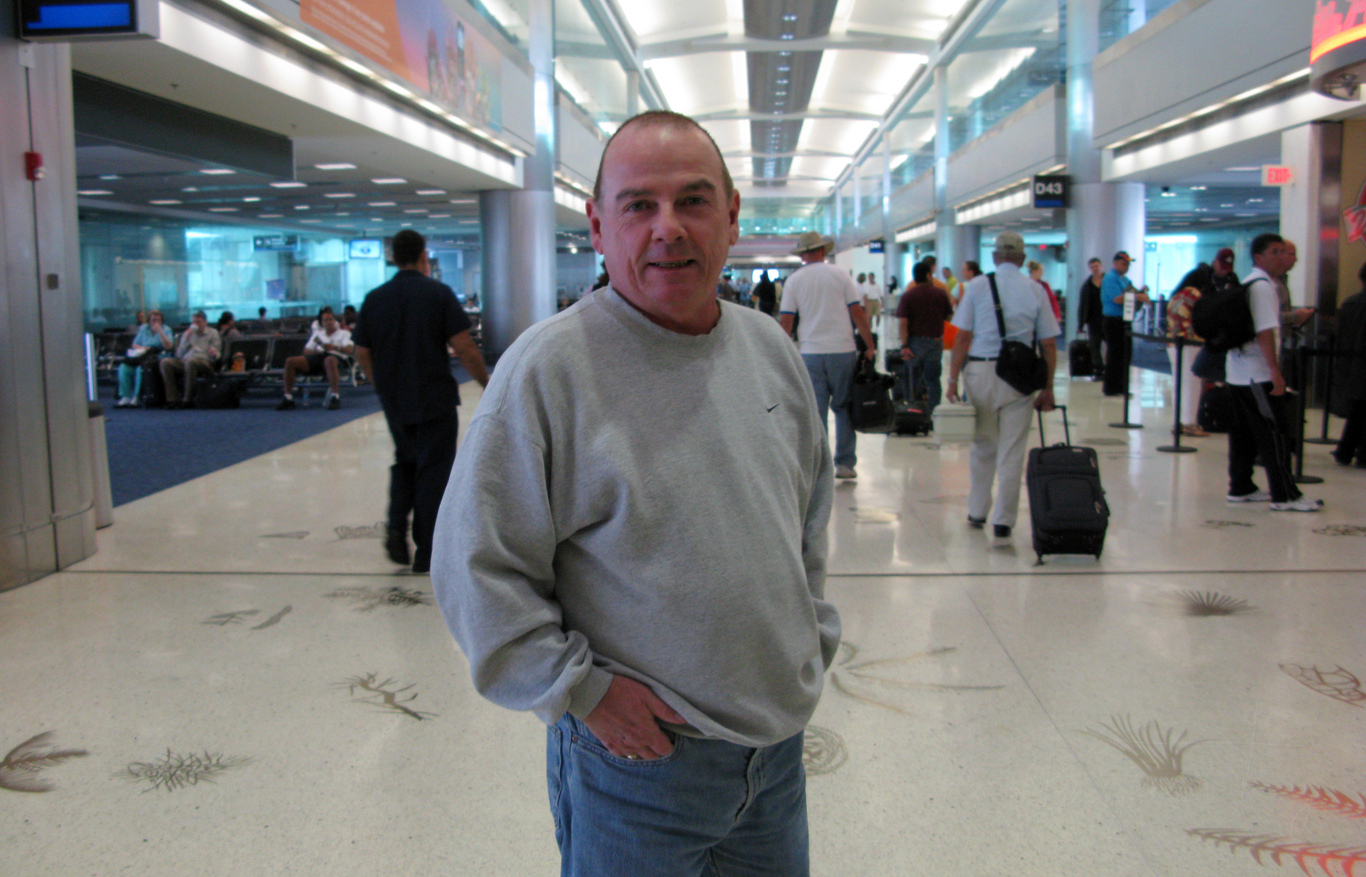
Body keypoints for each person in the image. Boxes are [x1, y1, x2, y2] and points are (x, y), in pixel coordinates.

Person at [430, 110, 840, 877]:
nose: (668, 227)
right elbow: (474, 565)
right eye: (639, 205)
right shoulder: (548, 371)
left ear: (731, 215)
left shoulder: (769, 350)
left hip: (776, 756)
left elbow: (805, 518)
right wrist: (579, 689)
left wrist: (807, 641)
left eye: (693, 201)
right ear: (597, 224)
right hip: (637, 772)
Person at [353, 229, 490, 574]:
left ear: (395, 258)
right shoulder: (438, 294)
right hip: (434, 395)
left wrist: (380, 384)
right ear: (422, 256)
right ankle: (428, 550)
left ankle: (396, 527)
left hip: (394, 398)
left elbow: (362, 352)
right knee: (434, 469)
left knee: (405, 461)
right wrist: (487, 384)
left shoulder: (374, 299)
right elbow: (464, 347)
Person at [946, 231, 1060, 538]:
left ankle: (977, 510)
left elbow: (962, 337)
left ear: (995, 257)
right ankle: (1004, 521)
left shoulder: (976, 286)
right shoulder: (1036, 289)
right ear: (1022, 258)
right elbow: (1049, 344)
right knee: (1012, 451)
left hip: (980, 372)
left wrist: (952, 380)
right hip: (1019, 378)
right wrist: (1048, 387)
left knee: (983, 445)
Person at [1223, 233, 1322, 512]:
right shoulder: (1263, 287)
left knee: (1242, 434)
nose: (1282, 257)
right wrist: (1275, 372)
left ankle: (1240, 487)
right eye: (1275, 252)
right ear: (1259, 257)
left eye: (1283, 251)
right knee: (1274, 434)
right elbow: (1265, 332)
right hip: (1258, 375)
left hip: (1238, 373)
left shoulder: (1248, 282)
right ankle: (1285, 495)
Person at [779, 230, 877, 479]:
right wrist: (869, 344)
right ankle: (845, 464)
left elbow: (786, 320)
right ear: (822, 251)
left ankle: (819, 467)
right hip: (842, 350)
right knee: (843, 407)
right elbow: (858, 313)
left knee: (816, 411)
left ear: (802, 255)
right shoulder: (840, 275)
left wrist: (782, 350)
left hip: (810, 353)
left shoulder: (794, 280)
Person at [896, 260, 955, 411]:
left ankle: (914, 410)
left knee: (913, 378)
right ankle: (933, 412)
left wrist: (904, 345)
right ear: (929, 275)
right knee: (933, 379)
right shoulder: (940, 293)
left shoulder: (908, 296)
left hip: (914, 343)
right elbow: (949, 316)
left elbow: (902, 322)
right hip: (935, 342)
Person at [1165, 264, 1213, 437]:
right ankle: (1190, 423)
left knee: (1178, 382)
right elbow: (1202, 319)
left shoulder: (1177, 294)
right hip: (1190, 343)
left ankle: (1177, 421)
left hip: (1172, 343)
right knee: (1192, 384)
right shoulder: (1195, 294)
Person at [276, 310, 354, 410]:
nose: (329, 322)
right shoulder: (318, 334)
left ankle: (335, 397)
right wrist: (317, 351)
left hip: (335, 358)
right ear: (322, 323)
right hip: (318, 357)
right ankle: (288, 398)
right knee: (290, 361)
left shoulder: (344, 333)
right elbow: (306, 350)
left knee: (329, 360)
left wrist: (334, 347)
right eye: (326, 320)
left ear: (335, 321)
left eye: (331, 319)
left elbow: (350, 349)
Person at [1100, 250, 1150, 396]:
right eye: (1124, 263)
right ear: (1115, 263)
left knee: (1125, 355)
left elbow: (1131, 293)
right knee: (1115, 355)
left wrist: (1140, 294)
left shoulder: (1125, 279)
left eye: (1128, 264)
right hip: (1113, 320)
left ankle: (1121, 387)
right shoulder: (1110, 278)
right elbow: (1117, 298)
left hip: (1124, 320)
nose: (1126, 266)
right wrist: (1138, 296)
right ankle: (1111, 388)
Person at [1331, 261, 1366, 467]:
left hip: (1351, 364)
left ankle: (1345, 451)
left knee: (1358, 410)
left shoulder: (1349, 303)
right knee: (1360, 410)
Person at [159, 310, 221, 409]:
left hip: (204, 361)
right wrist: (186, 340)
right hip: (185, 361)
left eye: (198, 322)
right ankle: (172, 399)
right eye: (194, 322)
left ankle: (187, 399)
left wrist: (214, 353)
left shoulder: (213, 333)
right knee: (165, 362)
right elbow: (179, 354)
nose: (196, 324)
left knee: (191, 362)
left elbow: (217, 352)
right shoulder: (188, 333)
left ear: (205, 322)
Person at [116, 309, 173, 407]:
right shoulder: (144, 329)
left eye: (158, 320)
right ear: (149, 320)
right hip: (142, 355)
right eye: (153, 320)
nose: (155, 322)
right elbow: (134, 344)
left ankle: (137, 396)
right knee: (124, 368)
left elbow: (168, 346)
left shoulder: (166, 329)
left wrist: (160, 332)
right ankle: (125, 396)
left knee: (140, 369)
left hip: (156, 357)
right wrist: (144, 348)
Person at [1077, 257, 1106, 378]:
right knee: (1094, 346)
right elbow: (1083, 305)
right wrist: (1080, 324)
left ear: (1101, 266)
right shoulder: (1087, 285)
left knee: (1111, 344)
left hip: (1108, 318)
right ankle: (1098, 370)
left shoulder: (1108, 281)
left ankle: (1110, 369)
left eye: (1097, 266)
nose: (1095, 269)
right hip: (1093, 320)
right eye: (1092, 267)